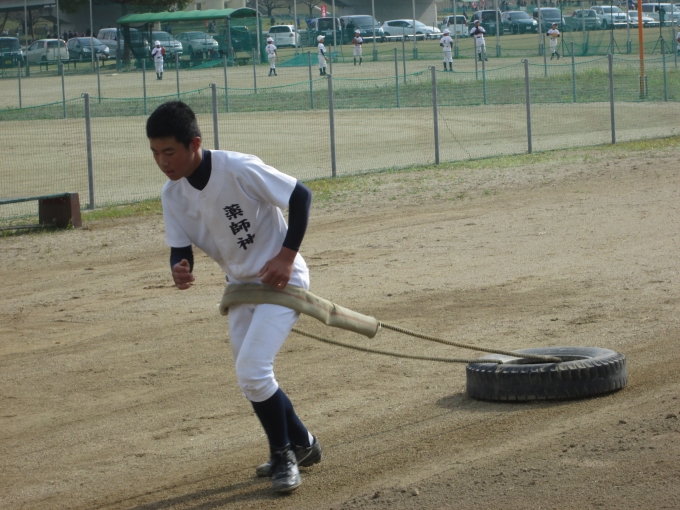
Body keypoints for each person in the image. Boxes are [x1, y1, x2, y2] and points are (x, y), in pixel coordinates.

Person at [145, 101, 320, 494]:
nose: (162, 162)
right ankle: (304, 443)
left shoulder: (238, 168)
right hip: (240, 287)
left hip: (282, 281)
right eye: (154, 153)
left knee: (253, 371)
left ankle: (283, 455)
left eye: (169, 152)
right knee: (251, 379)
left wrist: (286, 257)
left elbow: (301, 196)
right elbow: (180, 247)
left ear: (194, 143)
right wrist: (180, 266)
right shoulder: (172, 195)